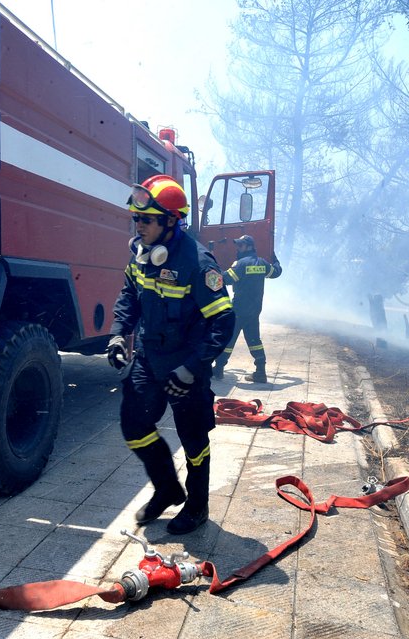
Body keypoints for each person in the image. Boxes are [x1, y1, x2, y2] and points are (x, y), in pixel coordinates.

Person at [106, 174, 235, 534]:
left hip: (186, 366)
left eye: (146, 219)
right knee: (134, 426)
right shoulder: (141, 255)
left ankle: (197, 506)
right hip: (149, 359)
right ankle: (166, 489)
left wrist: (192, 368)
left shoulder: (198, 262)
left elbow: (223, 321)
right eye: (136, 218)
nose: (139, 225)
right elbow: (129, 296)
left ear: (170, 221)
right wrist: (118, 335)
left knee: (194, 441)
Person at [212, 235, 282, 383]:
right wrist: (274, 257)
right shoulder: (262, 263)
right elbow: (276, 272)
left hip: (239, 309)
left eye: (241, 245)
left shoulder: (241, 264)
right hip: (254, 310)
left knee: (228, 339)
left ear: (249, 247)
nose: (238, 248)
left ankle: (218, 369)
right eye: (237, 245)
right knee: (254, 340)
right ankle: (261, 372)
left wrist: (212, 266)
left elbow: (225, 279)